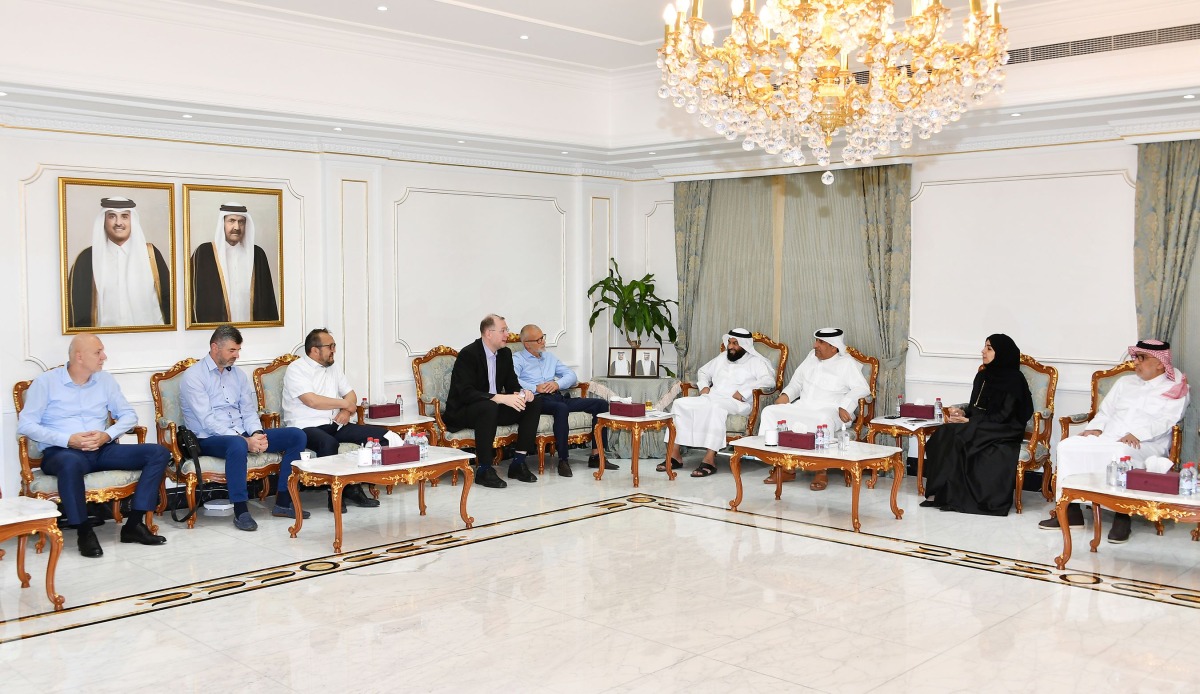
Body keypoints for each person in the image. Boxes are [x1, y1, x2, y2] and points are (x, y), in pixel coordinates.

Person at [17, 334, 168, 557]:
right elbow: (26, 424)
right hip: (63, 452)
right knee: (70, 463)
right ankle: (84, 531)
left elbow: (128, 415)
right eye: (98, 352)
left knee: (158, 453)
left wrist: (107, 435)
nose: (104, 357)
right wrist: (68, 439)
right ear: (79, 356)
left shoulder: (105, 381)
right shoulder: (46, 382)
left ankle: (134, 525)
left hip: (102, 449)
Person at [1039, 339, 1189, 542]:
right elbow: (1105, 412)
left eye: (1142, 358)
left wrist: (1138, 434)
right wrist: (1094, 428)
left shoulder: (1176, 387)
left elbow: (1168, 420)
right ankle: (1071, 511)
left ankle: (1122, 516)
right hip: (1109, 437)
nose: (1136, 362)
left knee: (1121, 454)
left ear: (1160, 363)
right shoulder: (1125, 383)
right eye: (1136, 357)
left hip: (1146, 443)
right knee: (1067, 446)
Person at [180, 325, 307, 531]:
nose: (237, 355)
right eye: (232, 350)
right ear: (215, 347)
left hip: (241, 433)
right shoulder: (194, 376)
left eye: (238, 350)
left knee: (296, 436)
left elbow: (248, 411)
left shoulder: (238, 375)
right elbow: (207, 421)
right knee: (237, 445)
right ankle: (241, 511)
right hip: (208, 438)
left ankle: (284, 502)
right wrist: (245, 441)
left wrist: (257, 434)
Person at [920, 334, 1034, 516]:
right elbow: (975, 407)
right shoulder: (982, 376)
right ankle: (941, 492)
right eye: (984, 347)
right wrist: (963, 413)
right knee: (943, 432)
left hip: (1005, 428)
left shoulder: (1014, 380)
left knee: (962, 436)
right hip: (981, 424)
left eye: (989, 348)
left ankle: (961, 497)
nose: (983, 351)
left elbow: (1004, 416)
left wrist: (971, 422)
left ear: (1002, 353)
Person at [282, 328, 394, 511]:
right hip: (305, 427)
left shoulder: (333, 367)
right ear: (315, 350)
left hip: (336, 423)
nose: (334, 350)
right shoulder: (296, 369)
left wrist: (346, 411)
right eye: (330, 346)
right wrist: (345, 404)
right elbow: (312, 401)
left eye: (334, 346)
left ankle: (353, 486)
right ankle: (335, 496)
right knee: (329, 443)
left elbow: (351, 394)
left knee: (383, 436)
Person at [757, 328, 871, 490]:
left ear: (834, 347)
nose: (815, 345)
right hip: (804, 406)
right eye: (816, 341)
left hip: (831, 410)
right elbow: (796, 383)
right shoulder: (811, 357)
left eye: (820, 342)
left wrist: (845, 405)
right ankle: (783, 466)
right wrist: (785, 396)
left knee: (822, 420)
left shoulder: (847, 363)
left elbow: (862, 388)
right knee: (770, 411)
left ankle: (821, 470)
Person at [442, 314, 543, 488]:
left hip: (491, 409)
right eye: (503, 330)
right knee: (489, 406)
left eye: (506, 330)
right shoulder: (469, 354)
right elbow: (466, 393)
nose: (507, 334)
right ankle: (484, 469)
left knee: (533, 403)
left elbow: (512, 384)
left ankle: (518, 463)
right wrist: (500, 398)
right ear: (489, 333)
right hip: (464, 411)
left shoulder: (505, 353)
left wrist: (523, 393)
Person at [659, 329, 775, 477]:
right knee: (679, 404)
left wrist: (744, 392)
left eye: (735, 343)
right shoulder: (722, 358)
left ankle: (709, 459)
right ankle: (674, 456)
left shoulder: (756, 362)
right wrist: (704, 386)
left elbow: (769, 381)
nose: (731, 346)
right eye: (729, 342)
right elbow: (703, 372)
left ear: (745, 345)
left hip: (737, 403)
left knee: (716, 408)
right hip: (712, 397)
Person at [512, 324, 612, 477]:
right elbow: (513, 381)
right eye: (538, 340)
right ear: (527, 344)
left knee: (601, 404)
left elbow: (571, 375)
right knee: (561, 408)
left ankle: (596, 456)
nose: (543, 342)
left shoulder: (549, 357)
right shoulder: (518, 359)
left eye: (543, 337)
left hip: (557, 396)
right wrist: (535, 387)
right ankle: (563, 460)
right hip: (537, 401)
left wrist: (557, 384)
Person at [67, 197, 170, 328]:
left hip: (150, 335)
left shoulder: (151, 254)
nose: (118, 223)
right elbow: (76, 308)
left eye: (125, 217)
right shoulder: (86, 259)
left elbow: (169, 299)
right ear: (103, 221)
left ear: (132, 220)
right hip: (104, 337)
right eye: (112, 216)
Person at [190, 203, 279, 323]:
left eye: (241, 222)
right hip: (216, 330)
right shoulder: (204, 253)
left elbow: (268, 299)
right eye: (231, 221)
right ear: (222, 223)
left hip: (253, 329)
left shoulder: (257, 254)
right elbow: (192, 297)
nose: (236, 227)